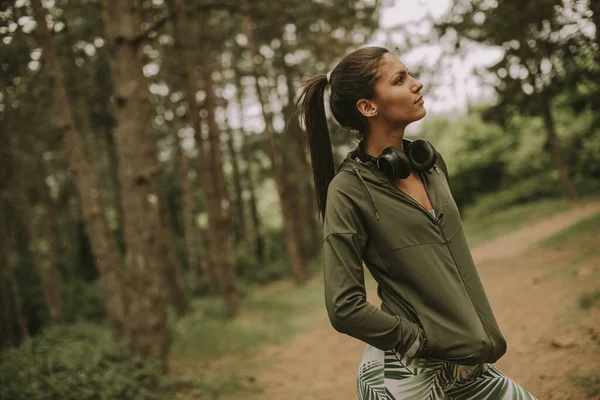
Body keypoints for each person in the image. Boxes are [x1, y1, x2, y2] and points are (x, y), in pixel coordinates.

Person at [296, 47, 536, 399]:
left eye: (409, 74)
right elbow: (344, 306)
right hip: (403, 378)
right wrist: (417, 339)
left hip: (465, 363)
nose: (416, 84)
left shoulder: (429, 163)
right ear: (368, 107)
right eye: (399, 79)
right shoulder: (348, 190)